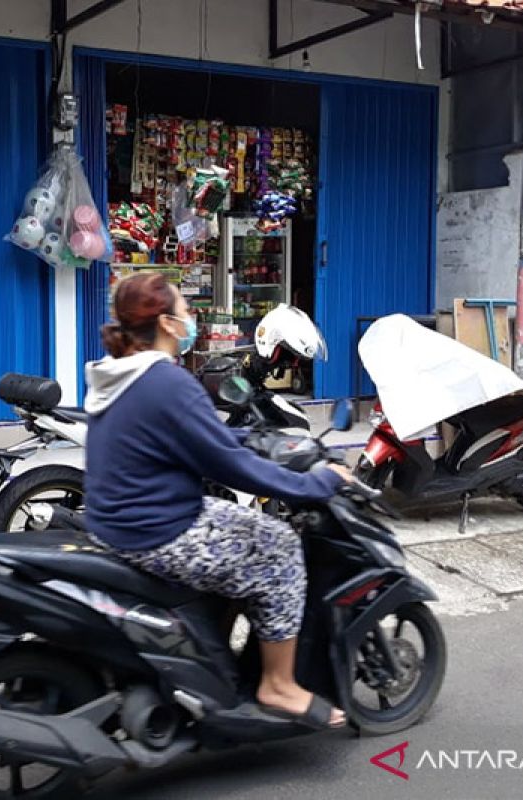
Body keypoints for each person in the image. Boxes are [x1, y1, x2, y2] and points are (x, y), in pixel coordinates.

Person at [83, 272, 352, 730]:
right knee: (281, 547)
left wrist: (251, 437)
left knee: (232, 520)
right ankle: (279, 686)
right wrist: (319, 483)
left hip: (121, 523)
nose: (192, 317)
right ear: (167, 323)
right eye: (186, 310)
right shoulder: (166, 381)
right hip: (160, 530)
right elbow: (232, 467)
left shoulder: (121, 375)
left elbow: (202, 438)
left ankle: (215, 655)